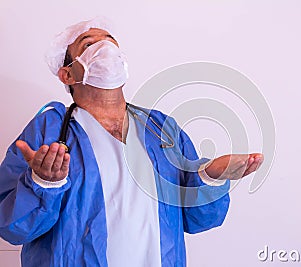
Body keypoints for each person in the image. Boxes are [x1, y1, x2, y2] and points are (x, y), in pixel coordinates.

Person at [0, 17, 263, 266]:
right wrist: (43, 183)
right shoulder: (51, 129)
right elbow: (12, 227)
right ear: (67, 75)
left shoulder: (161, 129)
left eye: (110, 42)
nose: (106, 49)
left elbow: (197, 219)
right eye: (90, 44)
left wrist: (210, 177)